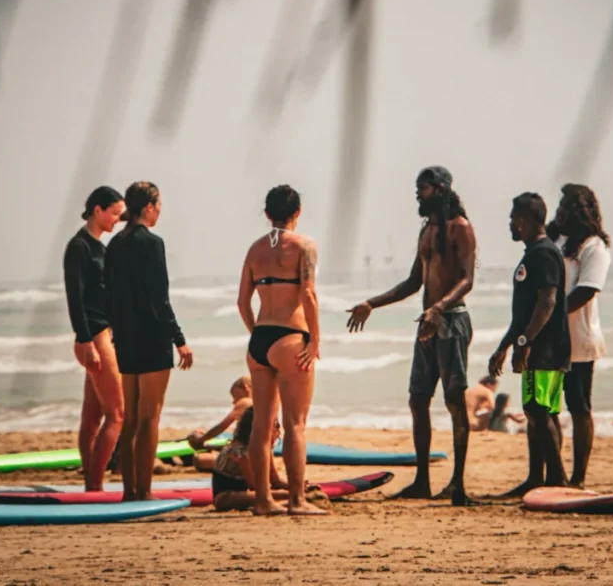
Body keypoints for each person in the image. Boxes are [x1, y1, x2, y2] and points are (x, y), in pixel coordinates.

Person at [347, 166, 478, 506]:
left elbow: (467, 280)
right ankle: (422, 480)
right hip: (427, 324)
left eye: (423, 189)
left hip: (451, 323)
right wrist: (371, 304)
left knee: (454, 401)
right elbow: (413, 283)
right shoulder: (427, 231)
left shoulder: (459, 228)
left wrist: (439, 309)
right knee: (418, 400)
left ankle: (458, 485)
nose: (418, 195)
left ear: (441, 188)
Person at [237, 184, 326, 516]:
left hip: (260, 340)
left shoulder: (255, 250)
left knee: (261, 425)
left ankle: (263, 501)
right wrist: (314, 340)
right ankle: (297, 500)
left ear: (266, 214)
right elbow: (308, 295)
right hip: (291, 337)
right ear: (297, 213)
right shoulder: (305, 246)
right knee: (295, 424)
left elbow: (242, 301)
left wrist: (255, 332)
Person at [104, 181, 194, 501]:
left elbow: (109, 296)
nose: (160, 212)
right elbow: (159, 298)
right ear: (149, 207)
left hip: (126, 340)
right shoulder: (152, 243)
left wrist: (116, 331)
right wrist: (179, 340)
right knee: (149, 418)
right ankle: (144, 490)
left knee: (130, 420)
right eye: (158, 206)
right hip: (152, 338)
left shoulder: (114, 245)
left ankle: (129, 491)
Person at [489, 192, 570, 497]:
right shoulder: (533, 254)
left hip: (547, 349)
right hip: (539, 346)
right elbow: (522, 312)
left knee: (540, 411)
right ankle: (537, 478)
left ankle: (557, 479)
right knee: (536, 410)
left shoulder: (544, 254)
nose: (510, 224)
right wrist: (504, 346)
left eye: (513, 218)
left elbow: (547, 302)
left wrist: (525, 342)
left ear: (524, 221)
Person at [546, 183, 611, 488]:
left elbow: (587, 289)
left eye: (563, 207)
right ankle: (554, 473)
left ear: (579, 212)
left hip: (578, 338)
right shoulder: (555, 241)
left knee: (579, 406)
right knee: (547, 407)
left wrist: (553, 315)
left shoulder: (593, 246)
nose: (557, 212)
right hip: (550, 338)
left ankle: (578, 477)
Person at [63, 185, 126, 492]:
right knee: (118, 414)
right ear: (97, 210)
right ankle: (95, 485)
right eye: (115, 213)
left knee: (93, 415)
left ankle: (91, 483)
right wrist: (85, 340)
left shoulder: (101, 248)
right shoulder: (79, 247)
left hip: (104, 333)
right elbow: (75, 298)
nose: (118, 219)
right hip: (94, 336)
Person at [211, 406, 328, 512]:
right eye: (275, 427)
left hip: (250, 493)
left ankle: (293, 498)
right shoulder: (240, 451)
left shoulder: (264, 449)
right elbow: (254, 485)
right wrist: (286, 492)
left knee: (280, 493)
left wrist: (295, 486)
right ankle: (295, 500)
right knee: (265, 495)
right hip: (226, 497)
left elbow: (275, 480)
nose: (277, 433)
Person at [187, 376, 254, 472]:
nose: (234, 402)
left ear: (245, 387)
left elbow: (221, 426)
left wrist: (201, 439)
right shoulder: (263, 402)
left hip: (246, 458)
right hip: (256, 454)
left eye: (235, 397)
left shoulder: (246, 402)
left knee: (198, 459)